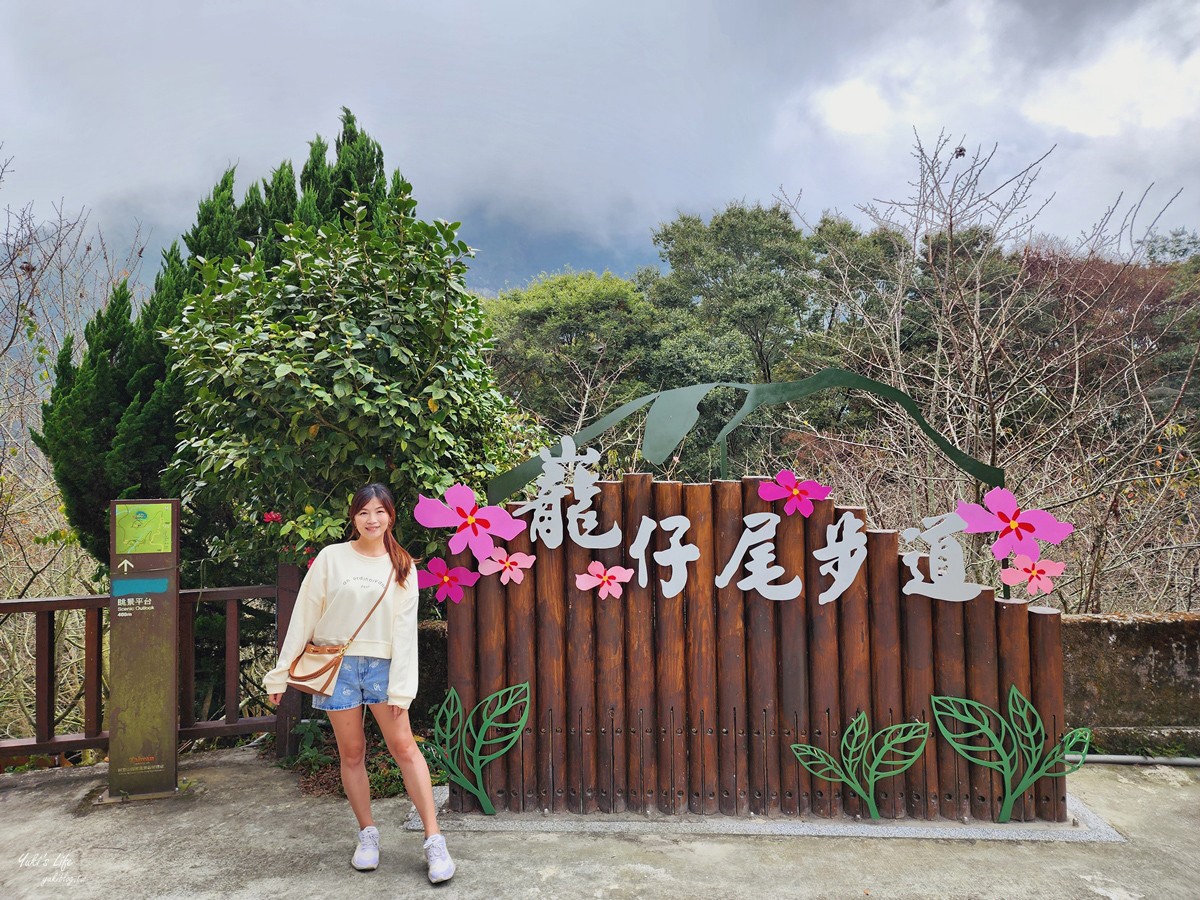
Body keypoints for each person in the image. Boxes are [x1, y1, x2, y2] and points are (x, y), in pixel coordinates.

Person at [265, 483, 454, 884]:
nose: (372, 519)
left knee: (404, 748)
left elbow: (406, 633)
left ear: (391, 516)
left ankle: (434, 839)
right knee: (352, 752)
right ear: (353, 517)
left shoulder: (402, 564)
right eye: (364, 512)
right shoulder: (331, 558)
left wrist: (404, 688)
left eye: (380, 512)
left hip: (384, 668)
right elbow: (304, 615)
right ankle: (367, 834)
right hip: (339, 667)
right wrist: (280, 671)